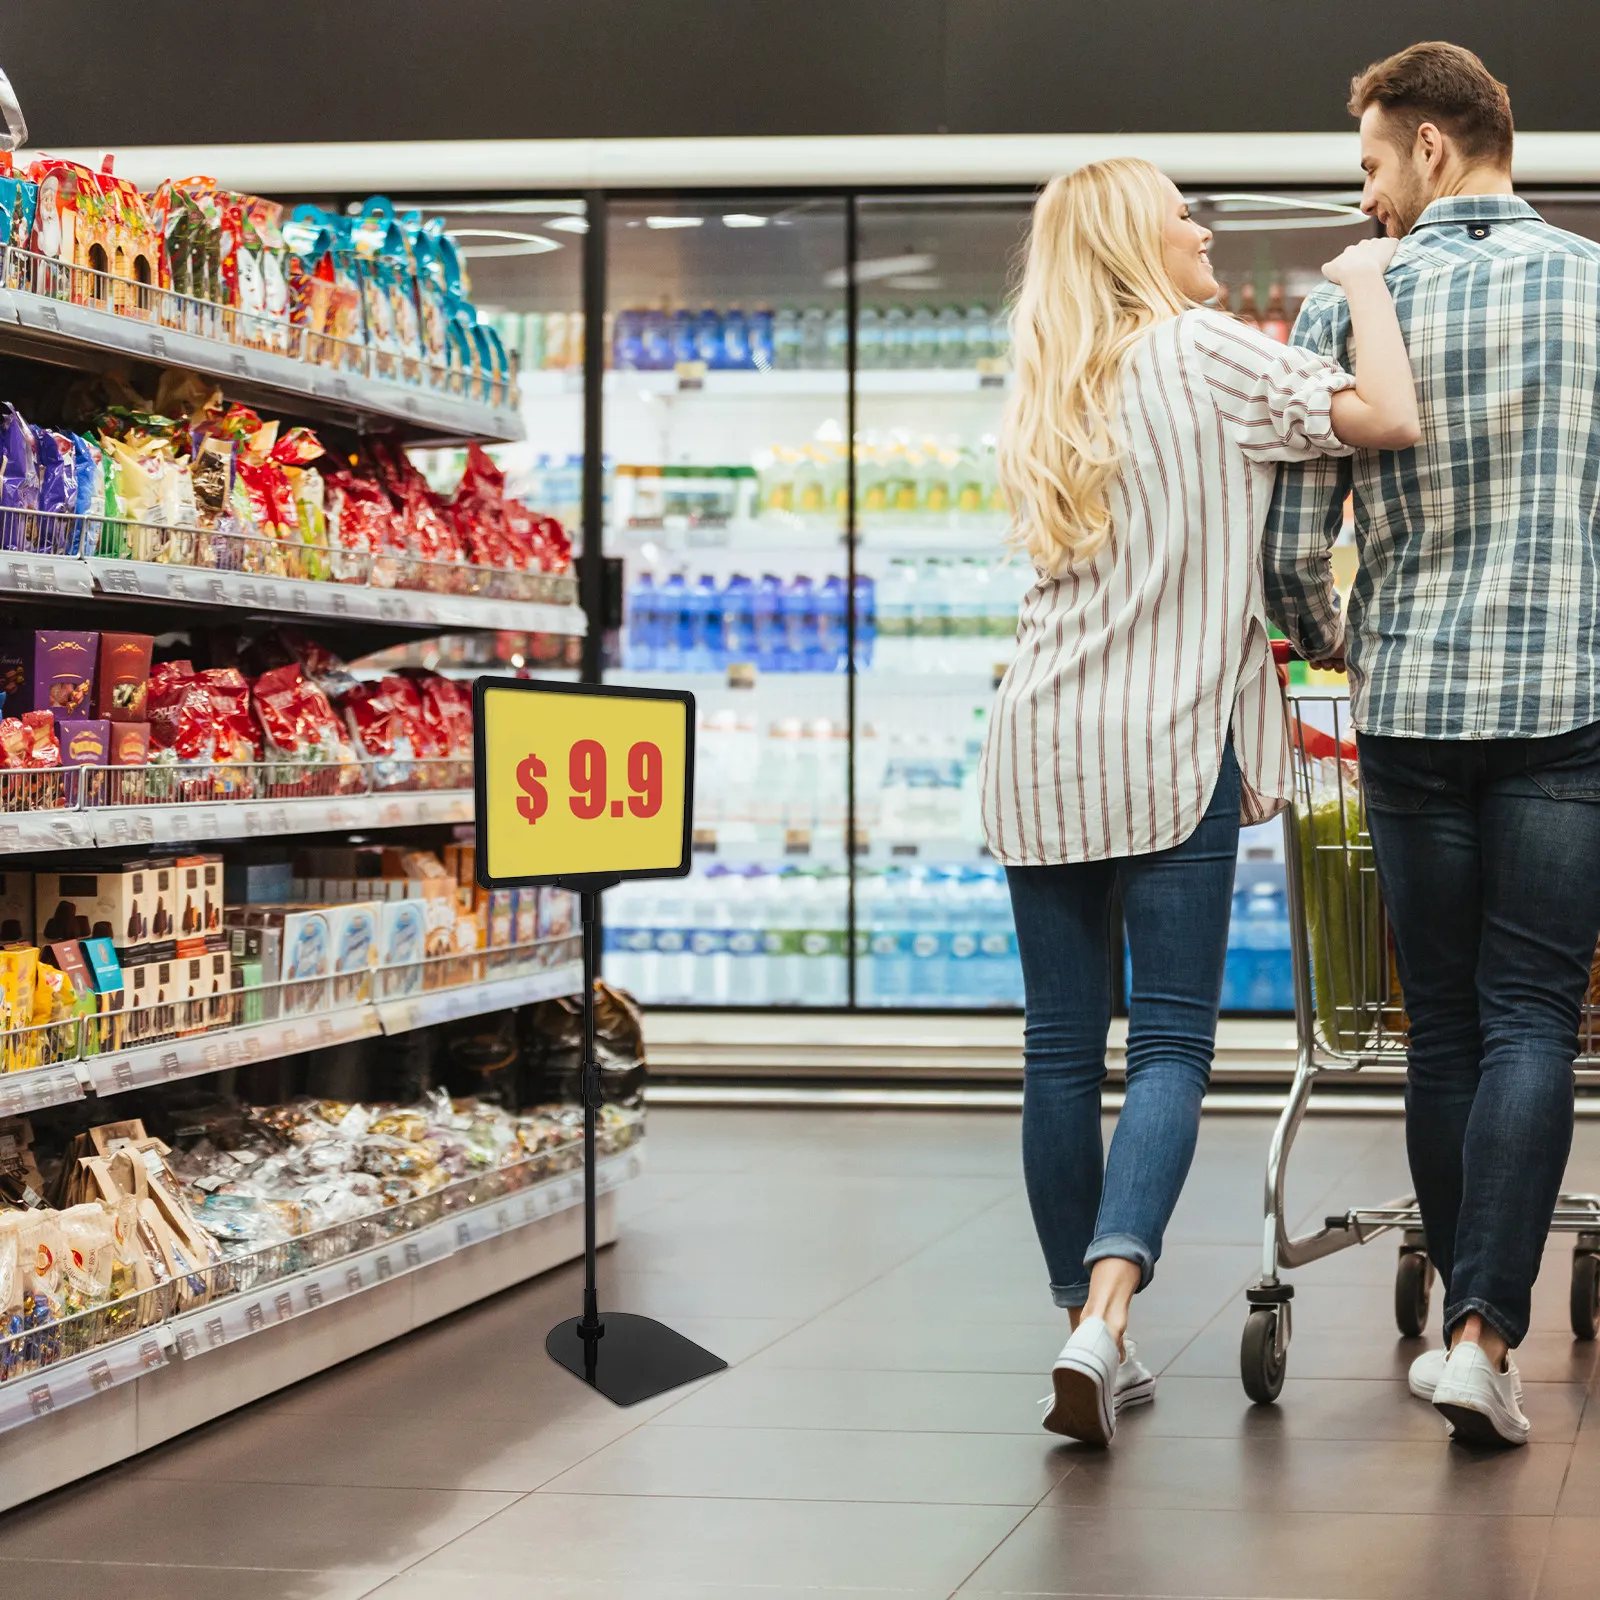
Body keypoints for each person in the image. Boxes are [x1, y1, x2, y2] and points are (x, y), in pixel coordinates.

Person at [980, 157, 1418, 1446]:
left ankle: (1077, 1317)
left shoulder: (1051, 379)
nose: (1204, 228)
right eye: (1185, 213)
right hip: (1170, 749)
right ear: (1136, 240)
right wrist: (1366, 279)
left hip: (1040, 742)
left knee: (1059, 1050)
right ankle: (1109, 1319)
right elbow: (1385, 416)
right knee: (1171, 1043)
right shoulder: (1205, 352)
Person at [1266, 42, 1600, 1449]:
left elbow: (1292, 547)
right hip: (1570, 704)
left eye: (1369, 166)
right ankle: (1483, 1333)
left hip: (1405, 710)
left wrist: (1336, 642)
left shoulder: (1347, 302)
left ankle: (1472, 1322)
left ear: (1430, 147)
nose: (1369, 197)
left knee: (1445, 1021)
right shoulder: (1596, 289)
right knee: (1536, 1015)